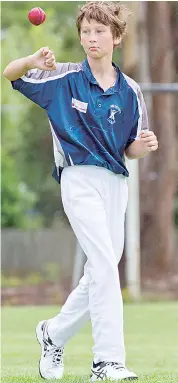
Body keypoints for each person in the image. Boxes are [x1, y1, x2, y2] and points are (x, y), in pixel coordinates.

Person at [3, 1, 158, 381]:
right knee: (105, 267)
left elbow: (129, 149)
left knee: (99, 274)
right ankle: (107, 362)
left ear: (116, 37)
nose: (91, 38)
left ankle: (52, 334)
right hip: (78, 179)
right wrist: (31, 61)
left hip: (116, 183)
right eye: (85, 32)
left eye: (99, 32)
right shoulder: (64, 78)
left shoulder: (131, 90)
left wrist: (145, 144)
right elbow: (10, 74)